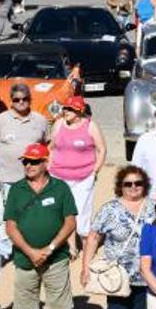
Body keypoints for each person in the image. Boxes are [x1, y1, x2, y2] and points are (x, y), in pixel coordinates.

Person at [3, 142, 77, 309]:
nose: (29, 165)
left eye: (34, 161)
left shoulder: (60, 188)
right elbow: (10, 225)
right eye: (26, 161)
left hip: (56, 259)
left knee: (57, 307)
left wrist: (51, 247)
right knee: (27, 308)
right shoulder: (16, 190)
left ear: (46, 163)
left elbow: (70, 221)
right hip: (25, 260)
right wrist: (30, 251)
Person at [82, 165, 155, 309]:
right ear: (120, 186)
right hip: (118, 275)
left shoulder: (153, 208)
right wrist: (86, 266)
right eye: (128, 184)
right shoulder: (109, 209)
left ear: (145, 185)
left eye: (138, 183)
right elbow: (94, 237)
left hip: (147, 273)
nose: (133, 188)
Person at [48, 96, 105, 250]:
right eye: (65, 108)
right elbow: (51, 147)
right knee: (64, 213)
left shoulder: (90, 126)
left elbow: (101, 149)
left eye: (70, 109)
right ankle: (72, 247)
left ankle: (86, 244)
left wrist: (95, 171)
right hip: (58, 176)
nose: (65, 111)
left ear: (79, 111)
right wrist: (48, 167)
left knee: (81, 215)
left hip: (83, 177)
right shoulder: (59, 124)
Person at [0, 84, 50, 192]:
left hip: (35, 180)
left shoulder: (41, 120)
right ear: (11, 100)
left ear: (30, 100)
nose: (21, 102)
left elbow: (48, 144)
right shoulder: (0, 120)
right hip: (8, 180)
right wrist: (2, 157)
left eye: (25, 98)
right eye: (17, 99)